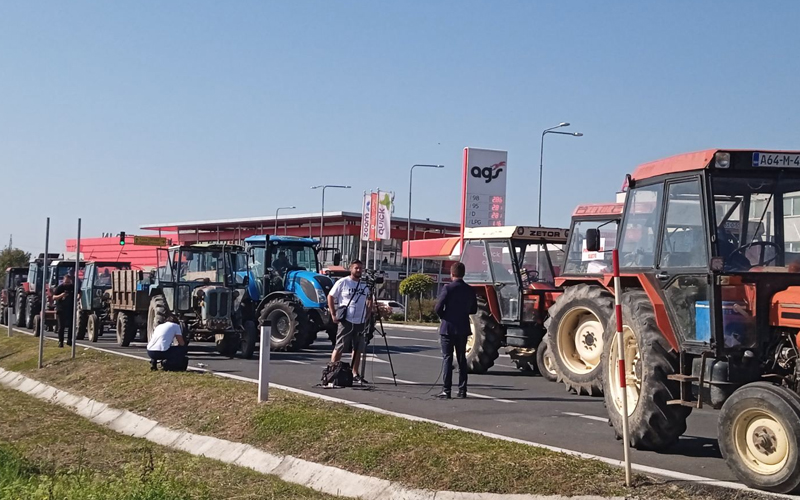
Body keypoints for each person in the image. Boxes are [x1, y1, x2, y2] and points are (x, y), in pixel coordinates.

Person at [434, 262, 478, 399]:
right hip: (463, 327)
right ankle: (462, 390)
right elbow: (474, 309)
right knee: (461, 359)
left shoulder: (448, 288)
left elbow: (438, 308)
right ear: (463, 273)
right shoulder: (470, 289)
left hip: (448, 327)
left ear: (452, 273)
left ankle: (446, 390)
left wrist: (444, 317)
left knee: (447, 358)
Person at [327, 259, 371, 384]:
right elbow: (330, 296)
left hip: (360, 321)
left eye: (360, 268)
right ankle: (332, 372)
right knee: (340, 346)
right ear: (351, 269)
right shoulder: (343, 282)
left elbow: (369, 299)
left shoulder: (365, 285)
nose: (359, 270)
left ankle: (355, 372)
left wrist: (368, 313)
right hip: (346, 320)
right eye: (356, 268)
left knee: (358, 348)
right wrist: (333, 313)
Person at [52, 273, 77, 348]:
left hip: (71, 308)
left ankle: (70, 340)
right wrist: (62, 295)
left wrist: (78, 297)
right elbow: (54, 297)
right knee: (61, 326)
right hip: (61, 309)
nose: (67, 284)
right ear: (63, 281)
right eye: (66, 282)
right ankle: (60, 341)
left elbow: (79, 292)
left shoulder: (73, 287)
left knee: (71, 326)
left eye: (68, 282)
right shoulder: (60, 288)